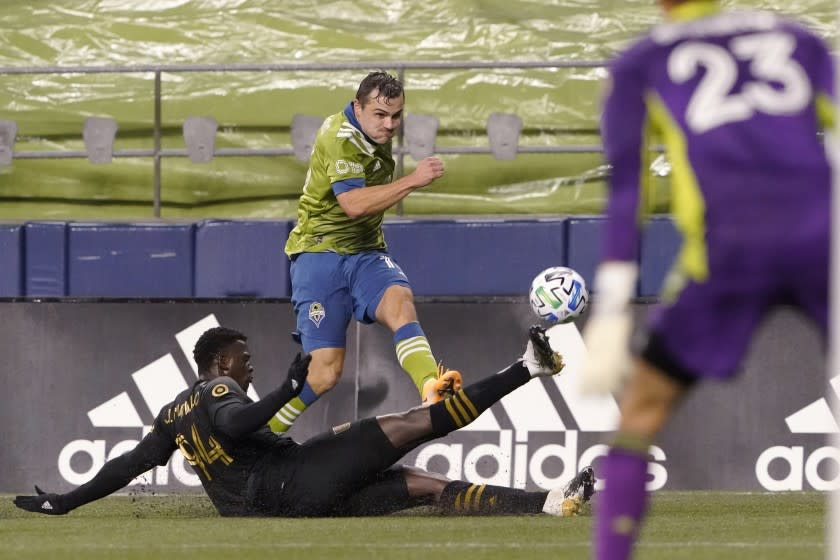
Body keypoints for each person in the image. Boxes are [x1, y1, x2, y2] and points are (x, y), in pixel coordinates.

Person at [580, 1, 833, 558]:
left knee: (640, 411)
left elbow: (628, 196)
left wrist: (612, 309)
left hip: (730, 252)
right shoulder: (795, 37)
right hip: (825, 240)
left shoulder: (640, 63)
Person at [15, 325, 595, 518]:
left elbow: (123, 467)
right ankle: (527, 367)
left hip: (287, 502)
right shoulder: (219, 387)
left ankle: (544, 504)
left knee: (423, 485)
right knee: (411, 424)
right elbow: (239, 422)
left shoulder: (172, 414)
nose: (250, 362)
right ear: (220, 362)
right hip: (293, 481)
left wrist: (66, 502)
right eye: (244, 355)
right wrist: (288, 387)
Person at [277, 70, 459, 433]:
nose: (390, 125)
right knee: (324, 373)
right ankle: (265, 430)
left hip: (365, 252)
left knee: (400, 302)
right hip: (320, 255)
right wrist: (412, 180)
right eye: (380, 115)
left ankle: (430, 388)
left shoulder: (371, 130)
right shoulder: (340, 137)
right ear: (357, 108)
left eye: (396, 116)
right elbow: (353, 205)